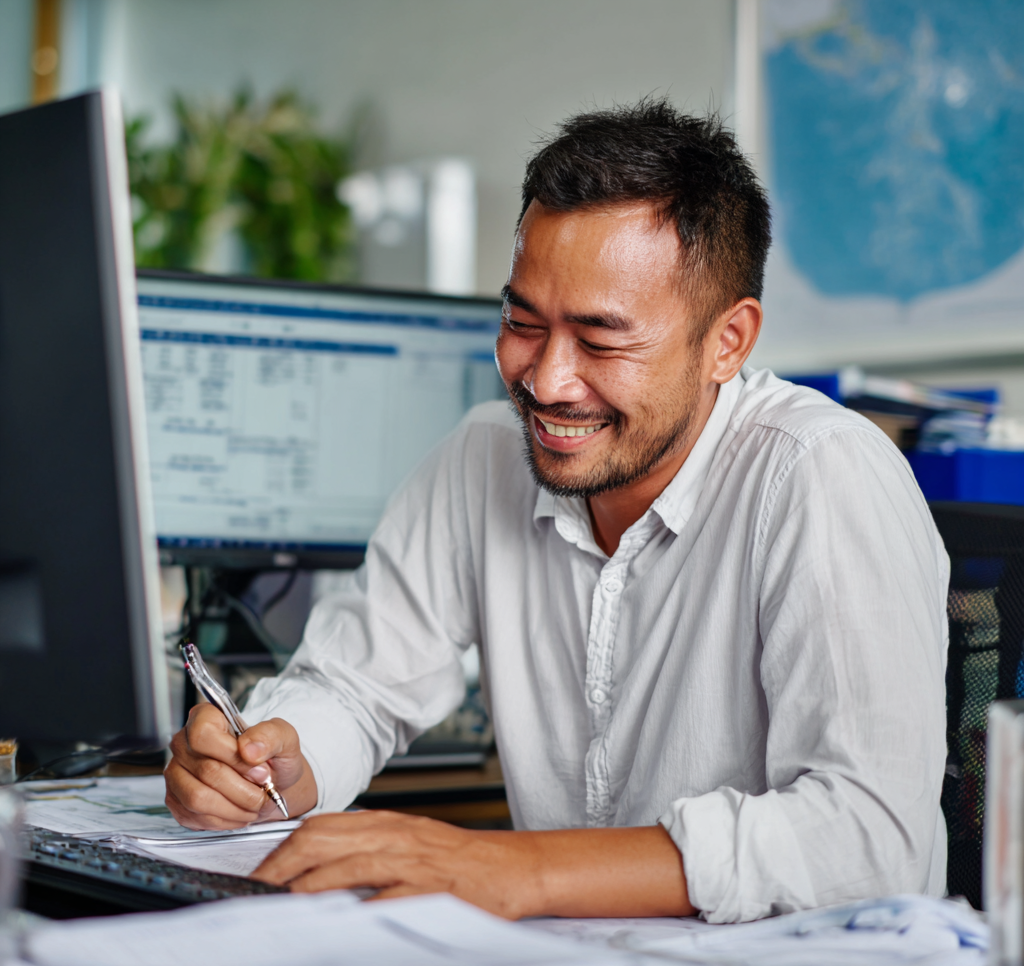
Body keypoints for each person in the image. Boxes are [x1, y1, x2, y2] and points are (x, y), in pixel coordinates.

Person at [164, 99, 949, 924]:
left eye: (602, 341)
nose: (545, 381)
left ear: (728, 342)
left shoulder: (820, 472)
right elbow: (355, 688)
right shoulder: (483, 456)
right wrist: (276, 764)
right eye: (522, 322)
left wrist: (516, 867)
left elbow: (871, 838)